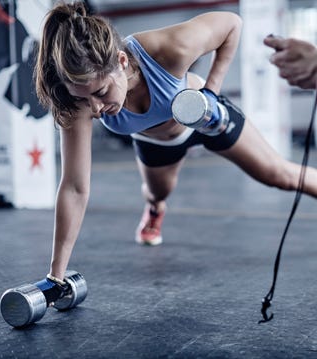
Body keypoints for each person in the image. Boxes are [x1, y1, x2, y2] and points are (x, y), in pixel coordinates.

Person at [35, 1, 317, 283]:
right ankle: (155, 209)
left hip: (208, 118)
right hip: (159, 141)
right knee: (158, 193)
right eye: (84, 98)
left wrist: (212, 92)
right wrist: (55, 276)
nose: (94, 109)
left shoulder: (168, 49)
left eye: (101, 92)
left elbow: (232, 23)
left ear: (121, 62)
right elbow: (74, 187)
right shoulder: (77, 100)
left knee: (279, 174)